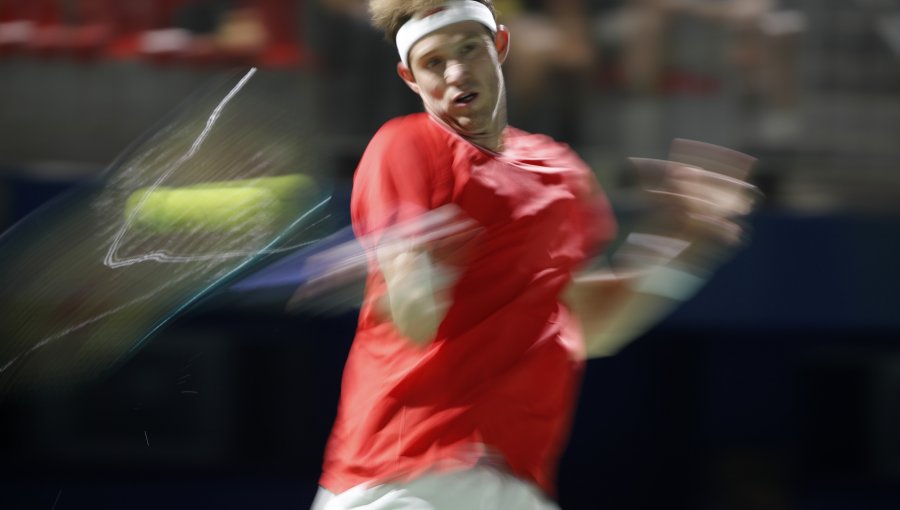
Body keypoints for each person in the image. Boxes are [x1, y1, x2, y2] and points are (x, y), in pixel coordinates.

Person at [308, 1, 758, 508]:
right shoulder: (405, 146)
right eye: (434, 62)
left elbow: (586, 326)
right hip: (400, 481)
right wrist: (418, 270)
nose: (456, 71)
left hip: (514, 482)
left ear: (500, 46)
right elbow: (417, 319)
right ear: (409, 77)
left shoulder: (561, 173)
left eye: (469, 49)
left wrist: (681, 248)